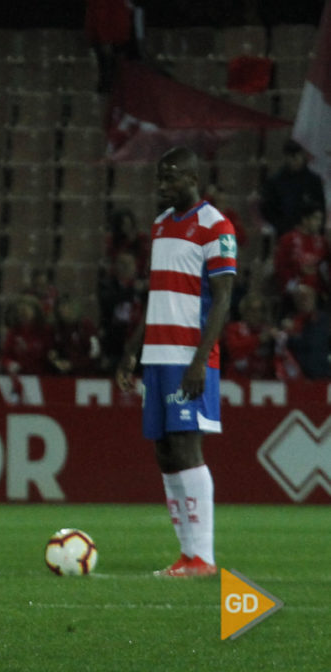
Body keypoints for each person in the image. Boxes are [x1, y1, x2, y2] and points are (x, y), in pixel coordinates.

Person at [116, 146, 236, 578]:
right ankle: (186, 555)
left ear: (192, 177)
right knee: (165, 453)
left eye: (170, 176)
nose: (163, 184)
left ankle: (204, 557)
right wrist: (133, 349)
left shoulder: (215, 226)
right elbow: (158, 294)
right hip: (157, 354)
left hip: (188, 355)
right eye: (160, 177)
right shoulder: (162, 224)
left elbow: (223, 299)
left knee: (187, 446)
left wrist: (201, 360)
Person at [259, 138, 326, 238]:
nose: (295, 161)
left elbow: (320, 206)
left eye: (297, 156)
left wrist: (317, 227)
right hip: (286, 231)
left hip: (310, 232)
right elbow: (268, 208)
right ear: (286, 158)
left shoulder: (313, 181)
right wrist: (280, 225)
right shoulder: (276, 181)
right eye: (291, 157)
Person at [273, 197, 328, 309]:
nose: (319, 223)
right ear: (304, 219)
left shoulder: (322, 242)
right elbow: (280, 267)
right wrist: (294, 289)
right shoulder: (288, 240)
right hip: (293, 298)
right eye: (316, 219)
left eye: (320, 219)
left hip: (317, 299)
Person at [97, 251, 146, 371]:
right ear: (115, 266)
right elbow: (109, 301)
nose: (126, 267)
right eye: (122, 263)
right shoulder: (106, 285)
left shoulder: (144, 289)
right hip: (115, 341)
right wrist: (132, 290)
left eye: (129, 263)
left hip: (139, 341)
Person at [220, 293, 282, 380]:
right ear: (243, 311)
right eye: (251, 310)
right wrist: (258, 339)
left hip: (263, 382)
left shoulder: (269, 332)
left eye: (259, 310)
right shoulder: (234, 328)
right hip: (236, 380)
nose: (255, 314)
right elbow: (234, 350)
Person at [282, 284, 331, 380]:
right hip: (297, 378)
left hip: (323, 376)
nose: (304, 300)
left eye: (307, 296)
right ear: (295, 300)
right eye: (300, 297)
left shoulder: (326, 321)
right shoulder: (288, 322)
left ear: (314, 298)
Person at [0, 295, 53, 376]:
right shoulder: (13, 333)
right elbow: (5, 356)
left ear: (36, 311)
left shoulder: (45, 331)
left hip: (42, 377)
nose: (24, 314)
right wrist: (9, 364)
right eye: (20, 311)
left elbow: (50, 354)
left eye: (27, 310)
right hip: (20, 377)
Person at [48, 295, 102, 376]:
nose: (61, 310)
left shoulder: (85, 326)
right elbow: (55, 347)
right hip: (63, 375)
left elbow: (95, 353)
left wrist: (74, 364)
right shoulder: (58, 327)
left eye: (65, 307)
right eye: (60, 307)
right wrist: (54, 357)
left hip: (85, 375)